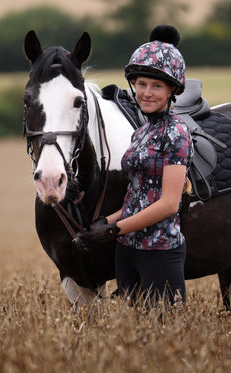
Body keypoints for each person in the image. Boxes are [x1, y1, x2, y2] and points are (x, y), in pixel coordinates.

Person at [77, 25, 193, 306]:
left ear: (172, 90)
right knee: (136, 337)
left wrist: (114, 230)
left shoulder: (176, 133)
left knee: (166, 338)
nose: (147, 93)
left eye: (157, 86)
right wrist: (107, 221)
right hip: (127, 251)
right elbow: (138, 197)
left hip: (160, 252)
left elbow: (168, 204)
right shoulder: (140, 133)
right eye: (141, 84)